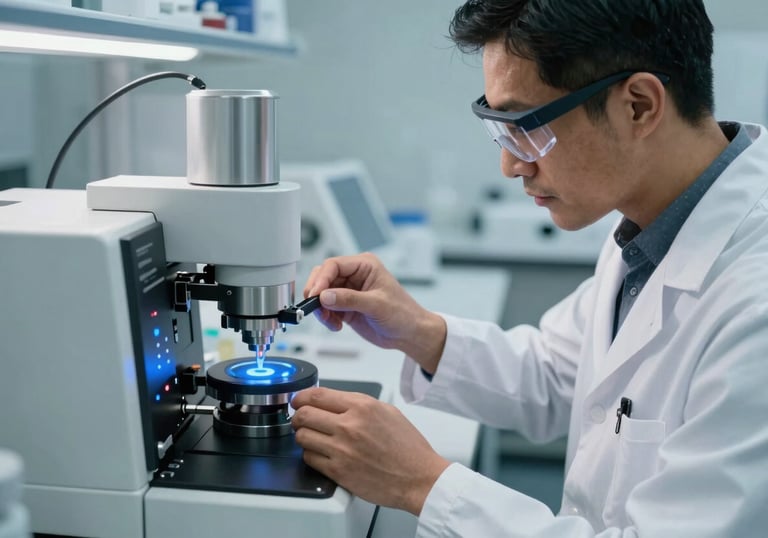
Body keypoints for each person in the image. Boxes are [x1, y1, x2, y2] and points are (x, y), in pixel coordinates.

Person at [290, 0, 768, 535]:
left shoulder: (754, 305)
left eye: (526, 125)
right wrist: (418, 331)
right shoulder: (652, 221)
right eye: (499, 126)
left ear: (638, 105)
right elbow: (557, 373)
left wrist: (422, 484)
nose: (511, 163)